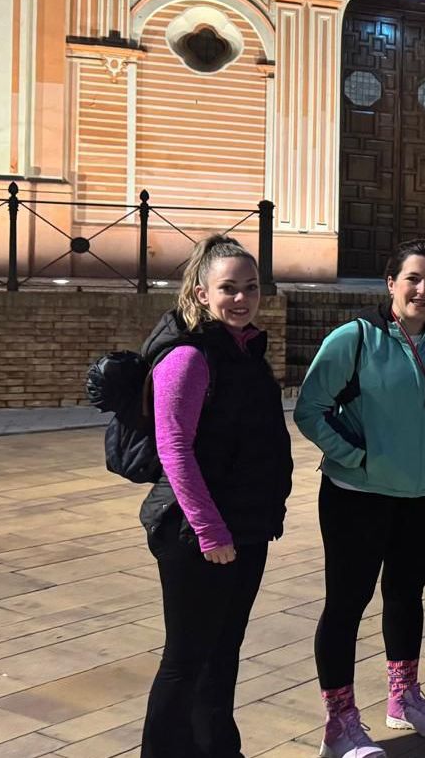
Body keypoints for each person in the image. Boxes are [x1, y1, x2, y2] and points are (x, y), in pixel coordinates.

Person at [295, 239, 425, 758]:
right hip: (359, 496)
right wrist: (359, 459)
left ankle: (403, 696)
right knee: (346, 605)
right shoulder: (354, 338)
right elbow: (311, 409)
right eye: (413, 278)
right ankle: (340, 722)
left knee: (406, 597)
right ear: (390, 283)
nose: (423, 289)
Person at [139, 235, 293, 758]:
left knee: (223, 655)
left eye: (250, 287)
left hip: (247, 527)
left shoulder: (246, 351)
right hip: (195, 532)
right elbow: (174, 450)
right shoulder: (189, 357)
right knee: (185, 659)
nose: (241, 298)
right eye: (228, 288)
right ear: (202, 294)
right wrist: (211, 532)